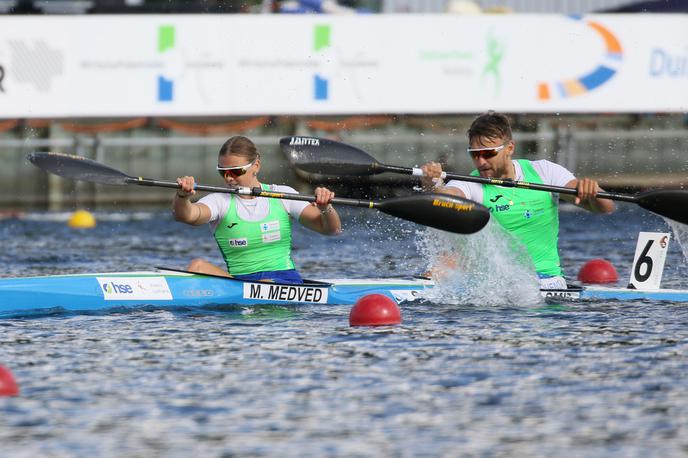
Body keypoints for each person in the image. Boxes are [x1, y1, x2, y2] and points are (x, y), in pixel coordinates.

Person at [420, 111, 615, 289]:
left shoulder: (544, 172)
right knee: (444, 264)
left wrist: (592, 191)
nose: (481, 161)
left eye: (488, 153)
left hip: (547, 282)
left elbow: (605, 208)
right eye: (474, 154)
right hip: (495, 284)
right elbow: (447, 199)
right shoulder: (471, 183)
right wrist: (432, 185)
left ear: (509, 148)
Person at [174, 135, 342, 284]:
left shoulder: (282, 195)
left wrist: (326, 207)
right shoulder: (219, 201)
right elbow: (187, 215)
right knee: (197, 266)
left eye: (235, 171)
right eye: (223, 172)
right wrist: (183, 196)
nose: (229, 178)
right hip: (239, 284)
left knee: (265, 282)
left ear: (256, 166)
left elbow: (332, 229)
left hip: (282, 280)